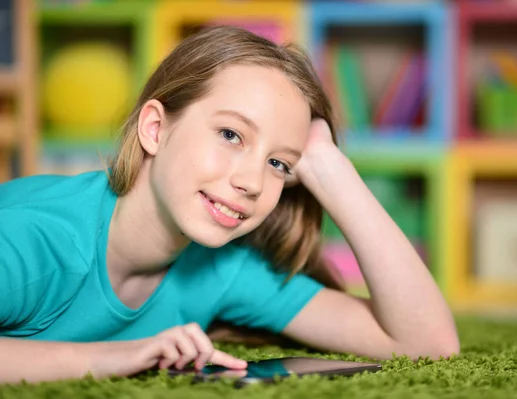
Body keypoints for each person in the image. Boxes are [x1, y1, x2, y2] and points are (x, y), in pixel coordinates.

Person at [0, 26, 459, 384]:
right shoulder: (38, 239)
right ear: (156, 130)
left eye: (278, 163)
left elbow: (427, 344)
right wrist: (118, 355)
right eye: (231, 135)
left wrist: (327, 167)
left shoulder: (224, 267)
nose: (252, 182)